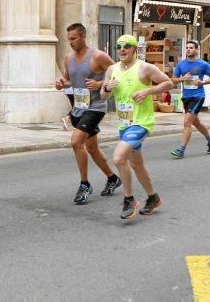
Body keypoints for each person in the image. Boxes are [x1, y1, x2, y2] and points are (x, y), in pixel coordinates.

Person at [101, 35, 173, 219]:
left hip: (141, 123)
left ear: (134, 49)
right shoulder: (112, 69)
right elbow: (103, 96)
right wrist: (107, 88)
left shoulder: (145, 68)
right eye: (119, 46)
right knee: (136, 164)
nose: (122, 49)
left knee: (118, 158)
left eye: (127, 46)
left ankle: (129, 199)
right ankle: (153, 197)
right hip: (124, 124)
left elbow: (168, 83)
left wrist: (148, 90)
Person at [55, 23, 121, 204]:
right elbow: (69, 79)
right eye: (68, 39)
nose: (70, 42)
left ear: (83, 37)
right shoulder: (68, 57)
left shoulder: (98, 56)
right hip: (79, 107)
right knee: (92, 148)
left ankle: (85, 184)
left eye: (73, 38)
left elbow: (118, 75)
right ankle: (112, 178)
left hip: (96, 107)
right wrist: (62, 82)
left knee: (76, 141)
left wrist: (100, 84)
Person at [169, 40, 210, 158]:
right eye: (187, 47)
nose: (188, 49)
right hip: (186, 97)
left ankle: (181, 150)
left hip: (198, 96)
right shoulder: (181, 64)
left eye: (191, 48)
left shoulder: (203, 64)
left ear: (197, 50)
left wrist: (202, 82)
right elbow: (172, 79)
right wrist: (182, 79)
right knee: (196, 123)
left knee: (187, 123)